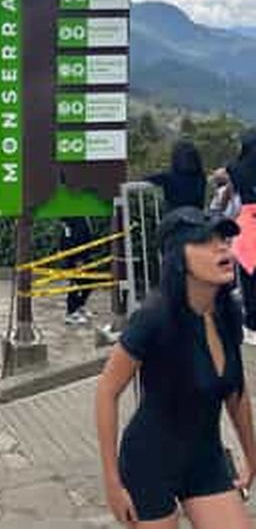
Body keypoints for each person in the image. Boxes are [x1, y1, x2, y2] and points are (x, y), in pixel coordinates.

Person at [96, 206, 255, 528]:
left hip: (205, 460)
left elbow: (236, 393)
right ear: (178, 258)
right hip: (149, 463)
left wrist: (253, 456)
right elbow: (106, 391)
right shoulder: (154, 317)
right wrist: (113, 482)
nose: (222, 247)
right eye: (206, 241)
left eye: (224, 239)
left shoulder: (228, 313)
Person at [216, 129, 256, 345]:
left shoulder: (236, 168)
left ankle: (252, 325)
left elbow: (220, 175)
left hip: (249, 221)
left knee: (249, 274)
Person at [147, 140, 207, 212]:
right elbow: (201, 202)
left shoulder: (167, 177)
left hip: (175, 218)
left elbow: (146, 178)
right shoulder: (200, 176)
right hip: (196, 217)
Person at [61, 215, 94, 325]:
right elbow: (68, 238)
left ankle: (79, 306)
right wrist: (77, 258)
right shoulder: (72, 217)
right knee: (74, 283)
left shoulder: (83, 216)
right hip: (76, 257)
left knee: (89, 281)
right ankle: (71, 313)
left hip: (85, 255)